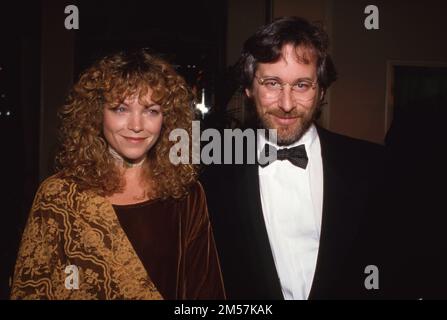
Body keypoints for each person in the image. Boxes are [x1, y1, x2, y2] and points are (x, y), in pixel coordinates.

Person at [10, 49, 225, 300]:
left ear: (167, 119)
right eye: (121, 109)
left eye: (151, 110)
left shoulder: (186, 195)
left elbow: (205, 293)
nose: (136, 125)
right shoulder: (58, 197)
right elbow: (31, 290)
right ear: (96, 113)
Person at [201, 16, 387, 299]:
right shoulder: (213, 173)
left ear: (321, 90)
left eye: (301, 85)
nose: (286, 105)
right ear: (250, 89)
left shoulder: (372, 166)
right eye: (272, 83)